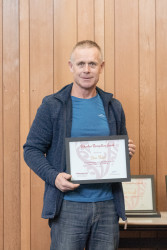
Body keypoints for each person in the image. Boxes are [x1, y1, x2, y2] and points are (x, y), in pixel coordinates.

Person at [23, 40, 136, 250]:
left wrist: (124, 154)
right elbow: (31, 150)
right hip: (67, 207)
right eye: (81, 63)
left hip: (107, 207)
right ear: (71, 66)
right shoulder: (52, 105)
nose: (86, 70)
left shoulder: (113, 107)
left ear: (101, 67)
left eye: (92, 64)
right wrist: (54, 177)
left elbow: (116, 155)